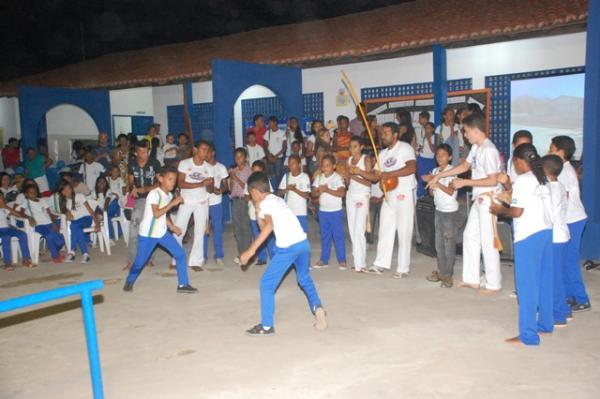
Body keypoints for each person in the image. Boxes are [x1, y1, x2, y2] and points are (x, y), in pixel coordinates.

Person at [239, 171, 327, 336]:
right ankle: (318, 308)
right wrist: (258, 212)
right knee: (304, 278)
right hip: (303, 244)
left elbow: (268, 227)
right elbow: (264, 225)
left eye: (251, 194)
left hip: (288, 248)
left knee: (266, 284)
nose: (251, 198)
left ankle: (266, 326)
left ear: (255, 191)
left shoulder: (266, 203)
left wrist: (250, 252)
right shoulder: (277, 200)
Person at [427, 113, 502, 293]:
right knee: (469, 237)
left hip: (489, 198)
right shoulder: (477, 147)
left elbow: (493, 180)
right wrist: (439, 175)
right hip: (479, 198)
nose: (465, 135)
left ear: (476, 131)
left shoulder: (489, 150)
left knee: (487, 241)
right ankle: (472, 278)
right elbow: (464, 167)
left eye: (467, 131)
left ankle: (493, 283)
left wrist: (465, 182)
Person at [490, 143, 553, 345]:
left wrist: (499, 210)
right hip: (545, 232)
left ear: (518, 160)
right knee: (543, 282)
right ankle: (545, 324)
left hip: (528, 236)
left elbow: (517, 212)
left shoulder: (524, 180)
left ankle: (528, 335)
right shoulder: (542, 178)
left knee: (527, 286)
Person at [123, 166, 197, 294]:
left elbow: (164, 215)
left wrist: (172, 227)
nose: (172, 183)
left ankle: (183, 284)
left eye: (174, 180)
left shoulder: (168, 195)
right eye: (169, 179)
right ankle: (130, 280)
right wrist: (173, 203)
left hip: (161, 233)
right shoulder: (154, 194)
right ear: (160, 179)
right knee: (140, 263)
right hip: (148, 235)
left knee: (180, 254)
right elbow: (156, 214)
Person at [367, 122, 417, 278]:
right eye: (382, 133)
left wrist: (389, 174)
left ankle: (403, 268)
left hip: (404, 192)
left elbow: (412, 168)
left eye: (386, 133)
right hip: (389, 195)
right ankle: (380, 264)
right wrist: (359, 172)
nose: (383, 136)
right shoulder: (382, 154)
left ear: (395, 135)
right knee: (385, 228)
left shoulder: (405, 148)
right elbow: (375, 176)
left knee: (404, 230)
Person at [548, 136, 591, 312]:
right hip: (569, 220)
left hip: (573, 220)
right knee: (564, 260)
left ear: (560, 151)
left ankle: (582, 298)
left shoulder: (564, 172)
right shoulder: (564, 169)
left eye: (551, 148)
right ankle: (569, 295)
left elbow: (561, 198)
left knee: (570, 261)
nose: (549, 151)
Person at [174, 140, 214, 271]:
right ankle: (175, 259)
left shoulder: (209, 167)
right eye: (203, 149)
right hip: (186, 201)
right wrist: (202, 183)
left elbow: (210, 190)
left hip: (202, 202)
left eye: (207, 150)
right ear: (195, 150)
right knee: (179, 230)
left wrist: (209, 184)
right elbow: (181, 183)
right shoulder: (185, 164)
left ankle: (196, 261)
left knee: (199, 231)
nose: (205, 152)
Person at [542, 154, 572, 327]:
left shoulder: (551, 189)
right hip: (561, 234)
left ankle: (559, 314)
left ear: (545, 170)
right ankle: (563, 309)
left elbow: (550, 215)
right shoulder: (558, 186)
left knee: (554, 277)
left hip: (555, 237)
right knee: (557, 274)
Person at [422, 144, 458, 287]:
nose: (439, 157)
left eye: (443, 155)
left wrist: (438, 184)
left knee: (449, 244)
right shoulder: (435, 171)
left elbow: (450, 192)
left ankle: (448, 275)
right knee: (439, 245)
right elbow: (433, 193)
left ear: (449, 157)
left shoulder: (452, 172)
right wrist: (431, 187)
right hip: (438, 210)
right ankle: (442, 271)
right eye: (437, 155)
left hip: (449, 212)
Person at [126, 141, 162, 270]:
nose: (145, 154)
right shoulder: (132, 163)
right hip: (140, 200)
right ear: (136, 153)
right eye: (141, 152)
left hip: (153, 198)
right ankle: (132, 260)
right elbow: (130, 181)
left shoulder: (154, 163)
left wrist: (145, 189)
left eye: (146, 151)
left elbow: (160, 182)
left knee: (152, 229)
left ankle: (149, 259)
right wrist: (133, 188)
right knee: (134, 228)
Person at [343, 137, 374, 273]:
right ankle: (357, 261)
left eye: (355, 146)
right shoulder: (348, 161)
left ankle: (361, 264)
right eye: (350, 147)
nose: (352, 149)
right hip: (351, 195)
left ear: (361, 147)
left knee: (359, 229)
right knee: (351, 229)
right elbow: (349, 182)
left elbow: (369, 182)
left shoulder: (366, 159)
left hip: (362, 196)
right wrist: (346, 179)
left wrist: (354, 175)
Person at [311, 154, 346, 270]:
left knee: (338, 236)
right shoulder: (319, 178)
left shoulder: (337, 178)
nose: (325, 168)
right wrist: (319, 192)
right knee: (325, 236)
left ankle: (342, 260)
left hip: (335, 211)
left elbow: (341, 193)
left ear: (334, 166)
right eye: (323, 166)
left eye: (328, 165)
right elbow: (313, 194)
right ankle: (324, 259)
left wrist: (327, 190)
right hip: (323, 212)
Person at [58, 180, 100, 263]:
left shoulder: (79, 196)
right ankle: (85, 254)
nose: (67, 191)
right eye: (64, 190)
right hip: (76, 222)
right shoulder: (64, 203)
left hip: (86, 218)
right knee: (77, 228)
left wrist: (97, 223)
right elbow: (71, 218)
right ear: (61, 193)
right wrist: (67, 213)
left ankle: (72, 251)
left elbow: (91, 211)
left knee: (74, 226)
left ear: (72, 189)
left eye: (68, 189)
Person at [22, 184, 65, 264]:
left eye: (34, 192)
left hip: (49, 223)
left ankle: (54, 250)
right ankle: (55, 255)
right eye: (30, 192)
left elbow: (49, 213)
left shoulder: (42, 200)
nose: (33, 194)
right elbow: (21, 212)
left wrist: (53, 223)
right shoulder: (27, 202)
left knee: (60, 242)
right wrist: (29, 217)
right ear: (26, 194)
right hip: (39, 225)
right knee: (49, 236)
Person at [203, 143, 228, 266]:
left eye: (207, 152)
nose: (205, 154)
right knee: (203, 230)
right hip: (203, 203)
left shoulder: (221, 167)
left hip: (216, 203)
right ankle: (202, 256)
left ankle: (219, 255)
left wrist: (220, 190)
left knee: (217, 229)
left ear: (213, 153)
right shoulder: (202, 167)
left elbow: (225, 186)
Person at [245, 160, 274, 265]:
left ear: (263, 172)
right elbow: (245, 196)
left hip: (265, 214)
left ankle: (273, 256)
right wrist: (252, 198)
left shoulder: (265, 181)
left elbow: (269, 194)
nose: (256, 174)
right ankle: (262, 257)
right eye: (254, 171)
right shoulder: (249, 182)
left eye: (258, 172)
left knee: (268, 236)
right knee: (257, 235)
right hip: (253, 214)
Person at [229, 147, 253, 264]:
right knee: (237, 229)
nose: (238, 159)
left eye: (240, 157)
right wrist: (231, 179)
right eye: (236, 157)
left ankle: (248, 254)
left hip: (244, 201)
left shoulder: (249, 171)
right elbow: (230, 189)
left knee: (245, 228)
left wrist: (236, 178)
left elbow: (248, 188)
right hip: (235, 200)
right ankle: (241, 253)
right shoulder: (234, 171)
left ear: (245, 158)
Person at [278, 155, 311, 232]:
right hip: (289, 212)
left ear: (299, 165)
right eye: (289, 163)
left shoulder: (304, 177)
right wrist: (286, 189)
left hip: (301, 212)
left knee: (302, 234)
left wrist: (294, 189)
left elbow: (307, 195)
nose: (290, 165)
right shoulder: (286, 176)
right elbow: (279, 193)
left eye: (293, 163)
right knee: (290, 234)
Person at [0, 192, 32, 270]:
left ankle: (25, 258)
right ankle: (7, 262)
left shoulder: (4, 208)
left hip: (7, 228)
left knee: (23, 234)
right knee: (6, 237)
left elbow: (18, 215)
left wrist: (6, 207)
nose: (1, 200)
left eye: (2, 198)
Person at [90, 175, 119, 242]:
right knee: (106, 217)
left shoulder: (108, 191)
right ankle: (108, 237)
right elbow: (94, 204)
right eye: (100, 182)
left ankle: (110, 237)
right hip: (99, 210)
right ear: (97, 184)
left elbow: (107, 200)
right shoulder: (93, 192)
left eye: (104, 182)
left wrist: (105, 211)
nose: (102, 183)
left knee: (108, 213)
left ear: (106, 184)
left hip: (109, 208)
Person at [416, 121, 436, 197]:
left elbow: (433, 150)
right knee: (421, 177)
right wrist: (419, 149)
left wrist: (429, 139)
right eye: (425, 128)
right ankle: (420, 194)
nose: (426, 130)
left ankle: (430, 194)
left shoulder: (434, 137)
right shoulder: (423, 137)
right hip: (422, 159)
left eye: (428, 128)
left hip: (431, 160)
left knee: (431, 177)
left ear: (432, 129)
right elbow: (420, 147)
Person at [265, 116, 286, 185]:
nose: (269, 124)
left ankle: (279, 191)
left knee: (278, 175)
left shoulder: (282, 133)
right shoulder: (267, 132)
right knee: (269, 175)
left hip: (278, 158)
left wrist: (275, 156)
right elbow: (265, 146)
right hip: (269, 157)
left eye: (270, 123)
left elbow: (284, 147)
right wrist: (269, 156)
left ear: (275, 123)